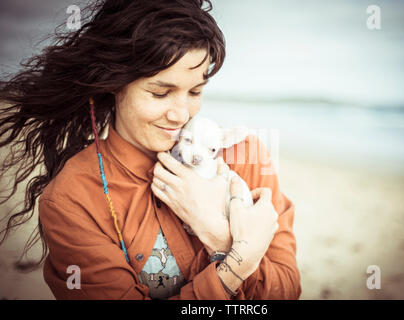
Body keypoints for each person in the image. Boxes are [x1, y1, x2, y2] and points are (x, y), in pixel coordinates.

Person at [0, 0, 301, 299]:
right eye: (160, 93)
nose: (181, 114)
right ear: (114, 83)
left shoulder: (242, 154)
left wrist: (219, 236)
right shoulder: (73, 198)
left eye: (195, 91)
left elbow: (286, 290)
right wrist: (235, 259)